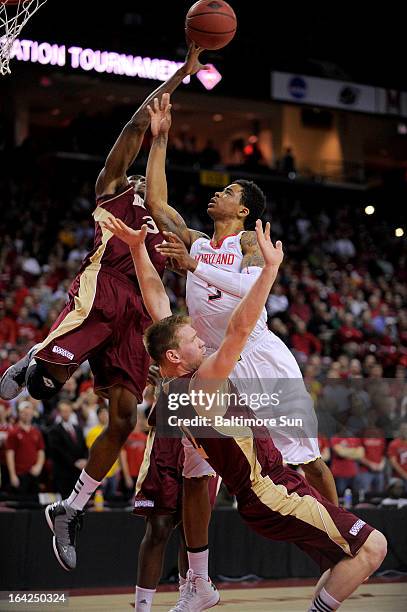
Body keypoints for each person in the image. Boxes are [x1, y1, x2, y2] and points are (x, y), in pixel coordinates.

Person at [104, 215, 386, 612]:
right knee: (375, 547)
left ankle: (204, 584)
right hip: (272, 491)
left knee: (348, 559)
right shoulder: (203, 383)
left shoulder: (173, 388)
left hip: (269, 488)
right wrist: (269, 270)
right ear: (174, 356)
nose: (201, 339)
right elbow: (239, 328)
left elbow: (157, 302)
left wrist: (137, 249)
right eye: (192, 339)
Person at [0, 44, 208, 572]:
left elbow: (197, 257)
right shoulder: (111, 189)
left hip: (142, 314)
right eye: (140, 176)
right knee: (45, 383)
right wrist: (180, 73)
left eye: (148, 179)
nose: (142, 181)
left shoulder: (167, 218)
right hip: (104, 288)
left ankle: (70, 509)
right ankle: (33, 361)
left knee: (122, 420)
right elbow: (137, 125)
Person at [145, 94, 337, 500]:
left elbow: (253, 290)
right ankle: (196, 563)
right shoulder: (195, 243)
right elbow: (158, 205)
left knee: (306, 459)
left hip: (259, 353)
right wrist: (159, 139)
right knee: (201, 466)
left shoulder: (249, 241)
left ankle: (343, 538)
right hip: (215, 363)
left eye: (228, 191)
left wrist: (195, 268)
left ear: (244, 210)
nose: (218, 194)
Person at [5, 400, 45, 499]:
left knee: (34, 504)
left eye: (29, 412)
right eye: (24, 412)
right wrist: (12, 475)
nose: (27, 415)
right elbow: (9, 454)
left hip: (34, 474)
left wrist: (39, 466)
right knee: (20, 505)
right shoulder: (13, 432)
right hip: (20, 474)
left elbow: (41, 451)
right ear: (19, 414)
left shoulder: (36, 432)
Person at [48, 400, 88, 498]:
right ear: (59, 413)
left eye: (68, 411)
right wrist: (74, 462)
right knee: (65, 499)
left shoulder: (77, 428)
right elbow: (58, 451)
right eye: (63, 411)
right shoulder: (54, 430)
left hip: (78, 472)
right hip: (63, 472)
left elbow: (84, 446)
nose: (66, 413)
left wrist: (85, 460)